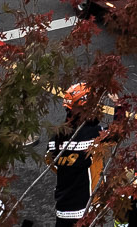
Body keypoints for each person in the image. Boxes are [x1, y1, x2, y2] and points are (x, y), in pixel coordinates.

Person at [50, 83, 106, 225]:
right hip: (85, 209)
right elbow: (118, 132)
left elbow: (51, 163)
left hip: (62, 208)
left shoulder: (55, 138)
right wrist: (120, 105)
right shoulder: (93, 135)